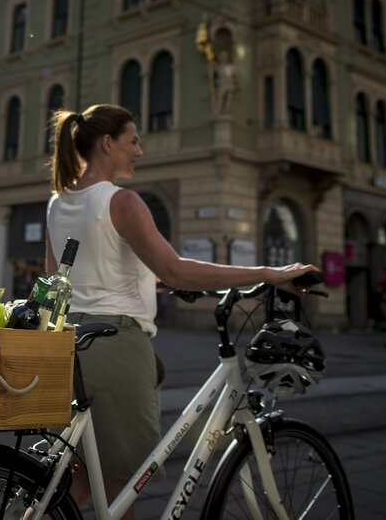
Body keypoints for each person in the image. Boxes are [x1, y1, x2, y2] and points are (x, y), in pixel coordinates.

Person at [45, 104, 317, 517]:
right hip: (117, 346)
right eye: (133, 140)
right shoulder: (121, 202)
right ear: (107, 143)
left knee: (77, 485)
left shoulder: (58, 204)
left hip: (68, 345)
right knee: (124, 487)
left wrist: (141, 281)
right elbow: (176, 270)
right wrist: (271, 273)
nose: (139, 151)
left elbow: (59, 281)